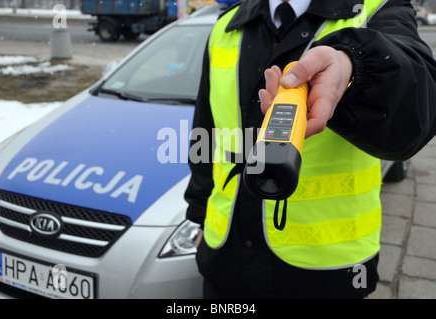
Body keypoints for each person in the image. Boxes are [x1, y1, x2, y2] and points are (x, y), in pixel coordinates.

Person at [185, 0, 436, 299]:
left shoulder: (377, 9)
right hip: (225, 259)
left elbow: (416, 116)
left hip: (325, 271)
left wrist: (353, 65)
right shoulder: (226, 26)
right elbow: (206, 134)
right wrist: (199, 217)